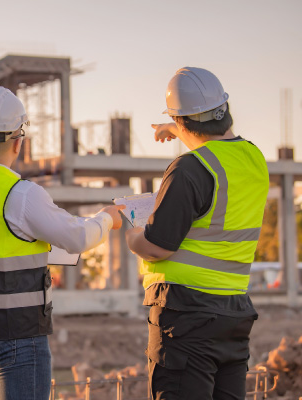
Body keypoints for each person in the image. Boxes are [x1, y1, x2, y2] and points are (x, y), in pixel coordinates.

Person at [0, 86, 124, 400]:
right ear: (19, 142)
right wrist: (107, 218)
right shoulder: (22, 195)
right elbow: (77, 237)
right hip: (18, 334)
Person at [125, 67, 269, 399]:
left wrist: (132, 232)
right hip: (233, 314)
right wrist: (180, 127)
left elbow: (158, 246)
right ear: (225, 109)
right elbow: (223, 143)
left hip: (187, 316)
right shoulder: (254, 160)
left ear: (182, 121)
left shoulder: (190, 168)